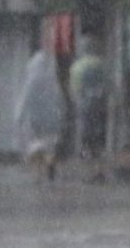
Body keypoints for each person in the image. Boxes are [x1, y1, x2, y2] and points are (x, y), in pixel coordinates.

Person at [13, 43, 66, 181]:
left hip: (36, 118)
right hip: (52, 118)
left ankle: (38, 173)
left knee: (36, 145)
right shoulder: (52, 80)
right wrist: (62, 114)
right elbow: (59, 98)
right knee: (49, 144)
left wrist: (19, 116)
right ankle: (50, 163)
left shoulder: (32, 80)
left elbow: (25, 98)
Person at [69, 35, 109, 176]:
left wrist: (78, 103)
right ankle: (100, 169)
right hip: (100, 109)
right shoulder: (102, 64)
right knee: (99, 142)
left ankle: (91, 170)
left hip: (85, 109)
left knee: (87, 142)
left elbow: (74, 90)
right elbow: (108, 86)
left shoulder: (78, 67)